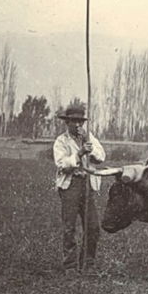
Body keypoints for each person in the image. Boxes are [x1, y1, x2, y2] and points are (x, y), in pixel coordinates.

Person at [52, 103, 106, 272]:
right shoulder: (61, 141)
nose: (77, 125)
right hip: (70, 185)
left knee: (93, 227)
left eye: (80, 121)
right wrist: (80, 153)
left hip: (87, 185)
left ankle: (87, 264)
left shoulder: (89, 137)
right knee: (69, 227)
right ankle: (70, 266)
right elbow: (62, 165)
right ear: (67, 122)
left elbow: (101, 157)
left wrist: (89, 148)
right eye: (74, 121)